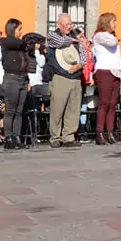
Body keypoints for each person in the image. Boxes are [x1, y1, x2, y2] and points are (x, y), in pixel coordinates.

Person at [46, 14, 84, 148]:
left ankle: (69, 137)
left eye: (70, 24)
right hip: (60, 76)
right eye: (67, 24)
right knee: (57, 109)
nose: (70, 27)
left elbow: (83, 55)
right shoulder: (52, 35)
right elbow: (61, 42)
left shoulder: (74, 37)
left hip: (75, 77)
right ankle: (55, 137)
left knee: (73, 110)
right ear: (59, 25)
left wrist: (79, 66)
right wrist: (76, 40)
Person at [92, 13, 121, 145]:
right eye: (113, 21)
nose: (115, 24)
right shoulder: (99, 36)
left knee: (112, 104)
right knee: (104, 103)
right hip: (104, 71)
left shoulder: (111, 36)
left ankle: (110, 131)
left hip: (115, 71)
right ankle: (100, 132)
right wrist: (116, 38)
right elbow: (111, 42)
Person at [0, 19, 30, 150]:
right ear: (12, 29)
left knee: (19, 111)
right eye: (19, 29)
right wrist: (26, 42)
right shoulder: (6, 41)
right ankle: (8, 138)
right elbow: (18, 43)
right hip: (11, 78)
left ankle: (17, 137)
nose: (21, 32)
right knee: (10, 110)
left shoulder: (21, 46)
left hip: (22, 78)